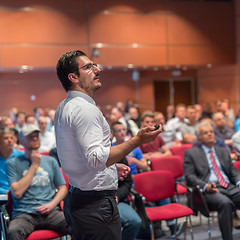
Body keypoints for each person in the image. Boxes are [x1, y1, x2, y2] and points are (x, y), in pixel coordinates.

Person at [54, 50, 162, 240]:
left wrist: (110, 168)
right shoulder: (85, 109)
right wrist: (137, 140)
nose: (97, 69)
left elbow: (83, 157)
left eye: (94, 65)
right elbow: (96, 160)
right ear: (73, 77)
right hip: (94, 205)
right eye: (88, 67)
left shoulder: (65, 105)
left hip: (78, 198)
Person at [6, 124, 69, 240]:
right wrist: (34, 165)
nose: (35, 138)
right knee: (14, 231)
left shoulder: (51, 161)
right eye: (31, 136)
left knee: (77, 223)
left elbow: (63, 188)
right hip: (24, 214)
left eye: (37, 136)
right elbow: (17, 192)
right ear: (21, 141)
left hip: (51, 212)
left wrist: (52, 204)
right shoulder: (13, 163)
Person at [183, 121, 240, 240]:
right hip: (210, 190)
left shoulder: (223, 151)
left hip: (228, 186)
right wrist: (205, 186)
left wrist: (239, 182)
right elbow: (189, 176)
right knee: (225, 204)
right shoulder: (191, 153)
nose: (210, 134)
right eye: (205, 133)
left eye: (211, 132)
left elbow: (233, 171)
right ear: (199, 138)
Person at [117, 157, 142, 240]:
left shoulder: (119, 155)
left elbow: (127, 183)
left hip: (117, 200)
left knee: (135, 222)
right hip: (95, 202)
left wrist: (117, 197)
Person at [0, 128, 23, 195]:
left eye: (11, 138)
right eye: (6, 138)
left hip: (19, 192)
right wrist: (4, 192)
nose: (9, 140)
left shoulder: (21, 155)